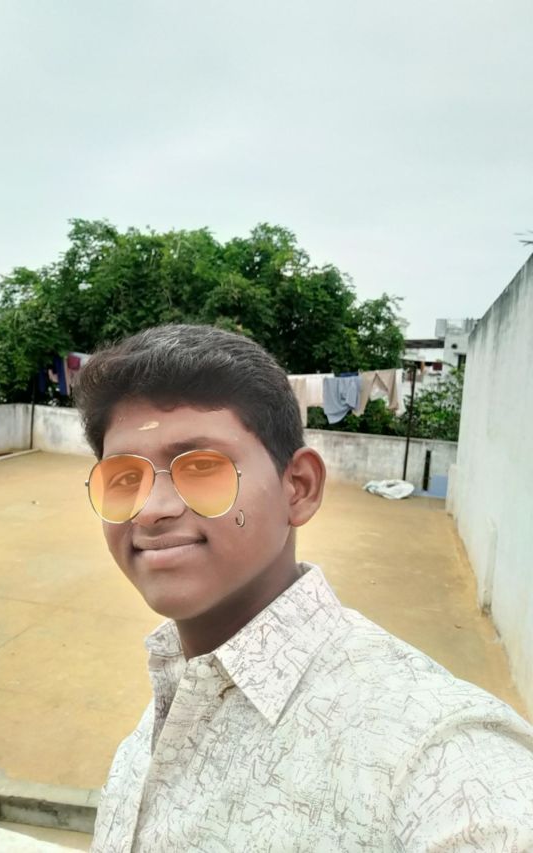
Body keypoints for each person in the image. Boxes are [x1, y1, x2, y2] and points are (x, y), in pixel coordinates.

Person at [74, 324, 533, 853]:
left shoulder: (434, 751)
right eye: (124, 479)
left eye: (201, 468)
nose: (151, 510)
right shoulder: (173, 697)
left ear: (299, 488)